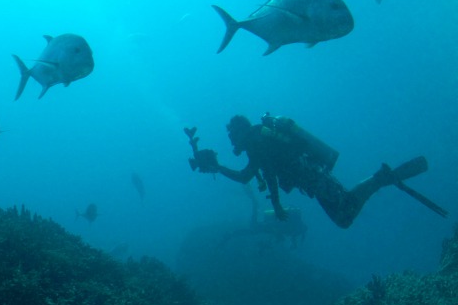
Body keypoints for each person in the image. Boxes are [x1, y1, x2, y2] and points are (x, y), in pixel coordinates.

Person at [187, 114, 447, 227]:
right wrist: (276, 206)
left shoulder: (257, 143)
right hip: (312, 176)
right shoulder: (260, 141)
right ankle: (380, 179)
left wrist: (219, 167)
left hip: (313, 177)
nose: (232, 140)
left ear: (242, 130)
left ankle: (380, 179)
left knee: (344, 214)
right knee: (343, 215)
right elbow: (268, 174)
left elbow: (249, 175)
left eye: (233, 134)